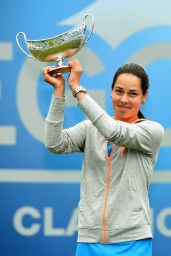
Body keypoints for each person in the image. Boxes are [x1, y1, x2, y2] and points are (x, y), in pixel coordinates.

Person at [43, 59, 164, 256]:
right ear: (111, 90)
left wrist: (76, 88)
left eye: (133, 94)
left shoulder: (152, 131)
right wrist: (59, 92)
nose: (124, 99)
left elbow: (114, 131)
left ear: (144, 97)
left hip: (132, 243)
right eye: (119, 91)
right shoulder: (91, 128)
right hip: (89, 241)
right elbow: (54, 143)